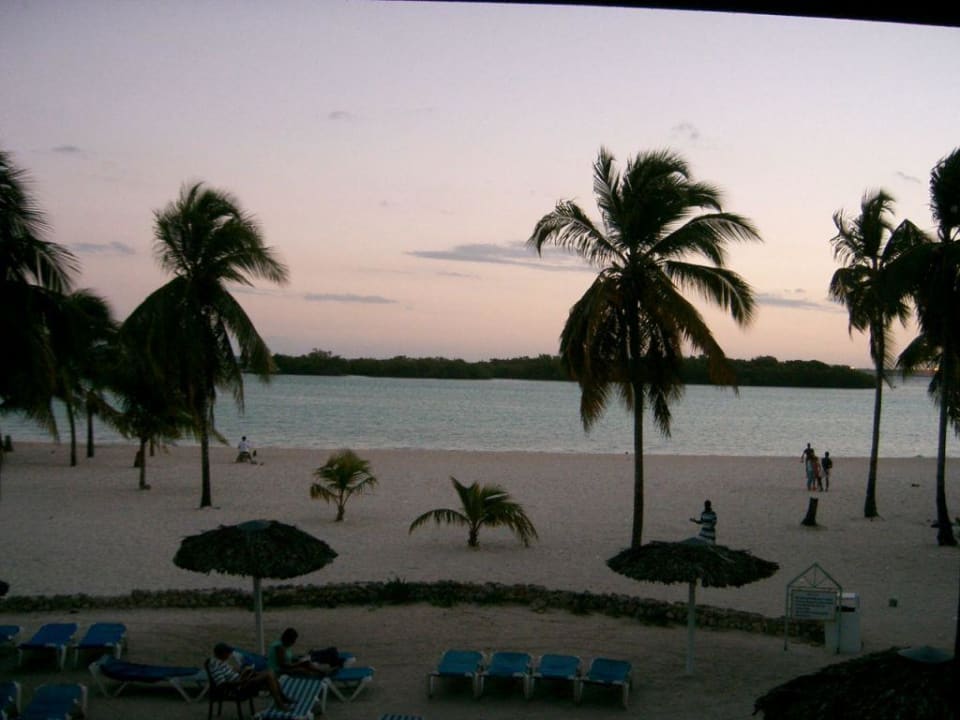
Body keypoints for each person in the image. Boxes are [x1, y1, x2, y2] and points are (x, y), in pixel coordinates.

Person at [209, 642, 290, 710]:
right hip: (239, 687)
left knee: (269, 673)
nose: (229, 655)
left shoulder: (221, 661)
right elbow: (222, 684)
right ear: (221, 654)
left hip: (241, 680)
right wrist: (241, 681)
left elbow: (231, 672)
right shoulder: (215, 665)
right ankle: (280, 703)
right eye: (228, 653)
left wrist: (243, 672)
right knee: (269, 675)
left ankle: (281, 700)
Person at [268, 627, 339, 678]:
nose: (294, 643)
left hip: (284, 668)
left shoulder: (285, 645)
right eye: (293, 641)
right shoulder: (279, 647)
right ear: (288, 639)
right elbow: (283, 665)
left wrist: (299, 659)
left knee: (306, 663)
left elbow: (287, 660)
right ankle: (323, 673)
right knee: (303, 669)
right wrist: (299, 664)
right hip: (277, 671)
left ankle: (323, 672)